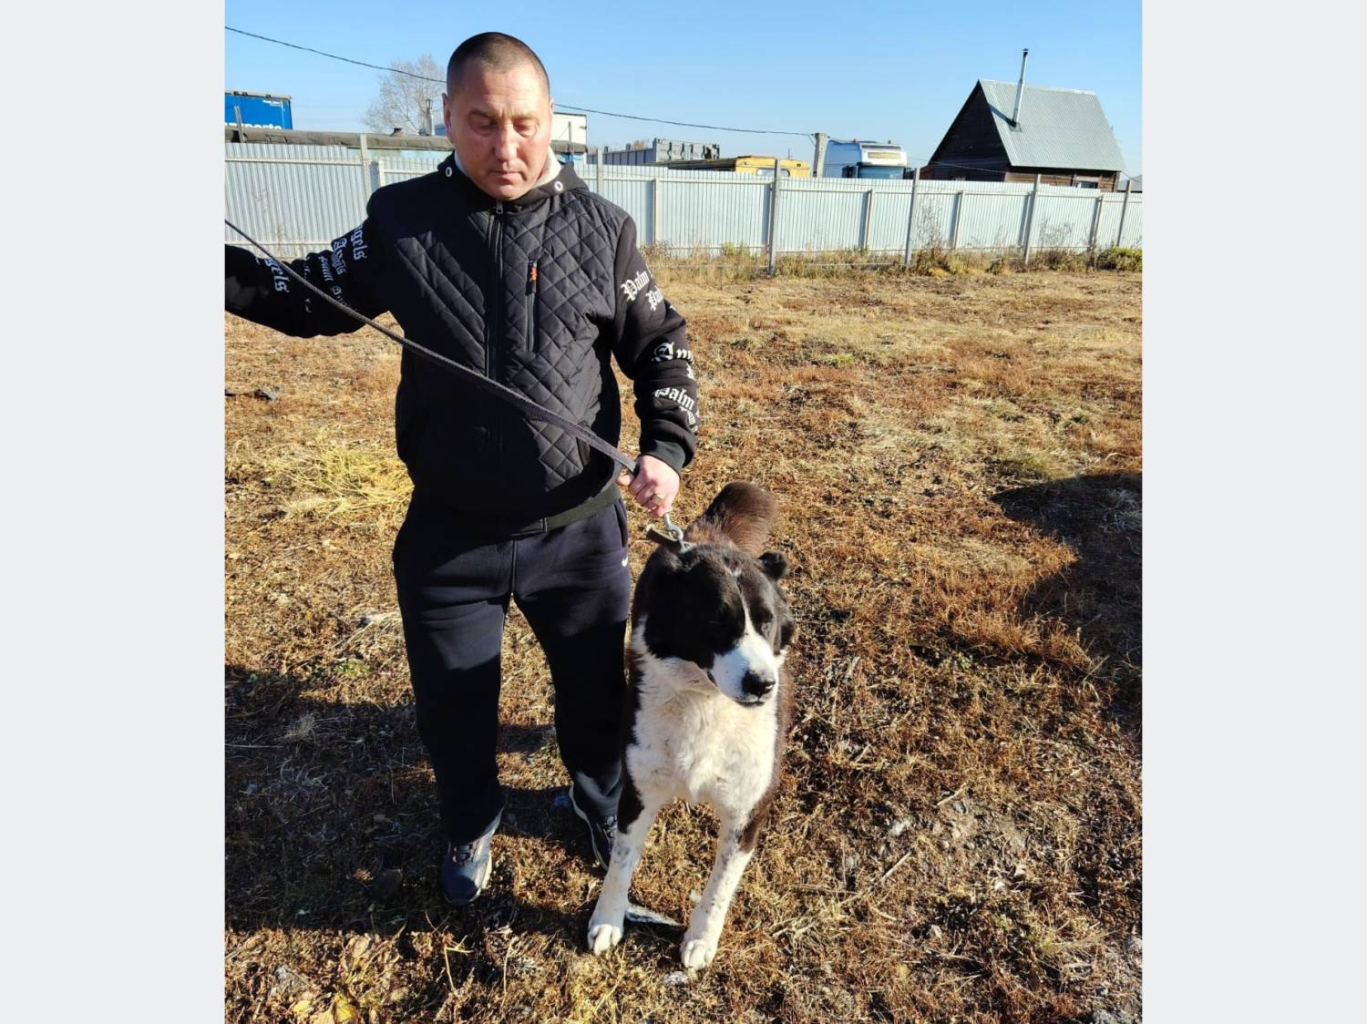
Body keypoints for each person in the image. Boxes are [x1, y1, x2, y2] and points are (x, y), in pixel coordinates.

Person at [224, 32, 699, 904]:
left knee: (595, 698)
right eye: (481, 122)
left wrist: (665, 449)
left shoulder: (604, 230)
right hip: (449, 533)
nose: (505, 146)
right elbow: (300, 298)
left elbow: (661, 347)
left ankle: (597, 804)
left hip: (578, 534)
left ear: (552, 120)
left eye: (524, 123)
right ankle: (469, 820)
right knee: (452, 704)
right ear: (446, 116)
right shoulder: (401, 220)